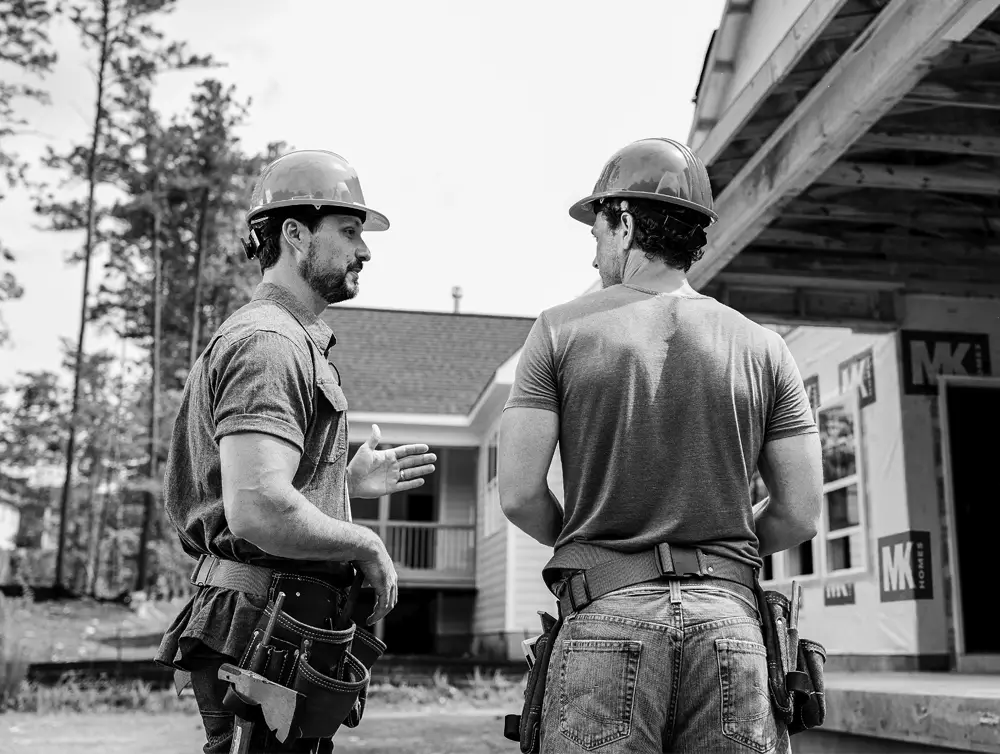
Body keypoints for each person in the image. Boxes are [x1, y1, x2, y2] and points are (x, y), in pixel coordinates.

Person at [497, 137, 822, 754]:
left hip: (606, 617)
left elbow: (517, 496)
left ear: (623, 225)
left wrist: (600, 547)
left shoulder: (559, 330)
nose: (595, 260)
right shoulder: (764, 347)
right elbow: (800, 513)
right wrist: (722, 548)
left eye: (596, 236)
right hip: (732, 625)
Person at [155, 149, 437, 754]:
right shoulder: (271, 344)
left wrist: (340, 482)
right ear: (293, 235)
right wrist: (366, 542)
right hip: (266, 623)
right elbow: (259, 511)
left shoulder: (288, 340)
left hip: (275, 622)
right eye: (350, 231)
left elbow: (267, 490)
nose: (364, 251)